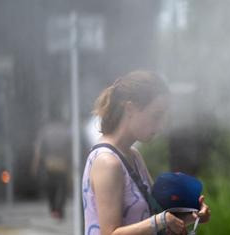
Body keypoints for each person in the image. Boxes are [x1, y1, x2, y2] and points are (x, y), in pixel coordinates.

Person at [82, 70, 210, 235]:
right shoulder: (108, 162)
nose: (161, 125)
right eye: (156, 116)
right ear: (130, 109)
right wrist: (161, 220)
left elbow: (148, 218)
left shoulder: (134, 156)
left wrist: (191, 217)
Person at [31, 118, 71, 219]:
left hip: (49, 164)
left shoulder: (45, 131)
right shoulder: (65, 130)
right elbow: (70, 148)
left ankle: (53, 210)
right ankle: (59, 210)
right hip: (62, 163)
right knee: (62, 188)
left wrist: (35, 165)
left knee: (51, 188)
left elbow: (38, 150)